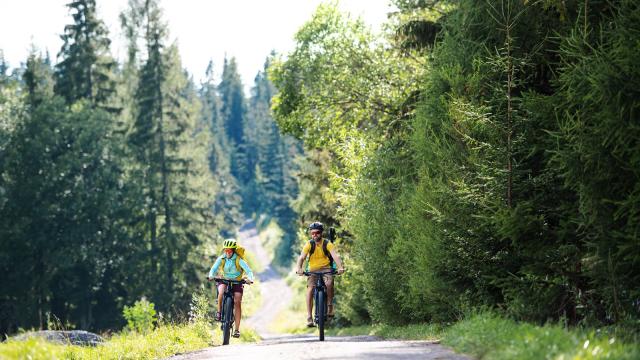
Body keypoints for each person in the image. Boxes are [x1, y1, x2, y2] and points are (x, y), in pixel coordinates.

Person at [295, 222, 345, 327]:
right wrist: (299, 268)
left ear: (321, 233)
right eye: (312, 233)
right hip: (313, 270)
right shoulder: (309, 244)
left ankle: (330, 305)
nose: (314, 235)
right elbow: (302, 257)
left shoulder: (327, 244)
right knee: (310, 289)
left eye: (317, 233)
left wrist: (340, 267)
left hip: (326, 269)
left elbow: (335, 256)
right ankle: (309, 316)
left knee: (329, 284)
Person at [207, 238, 254, 338]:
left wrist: (250, 278)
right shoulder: (222, 258)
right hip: (225, 279)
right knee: (221, 292)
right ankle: (219, 312)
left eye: (229, 251)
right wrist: (211, 275)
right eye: (225, 250)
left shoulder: (239, 260)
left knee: (237, 301)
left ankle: (236, 330)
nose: (227, 252)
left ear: (233, 251)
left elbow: (249, 271)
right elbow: (214, 268)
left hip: (237, 281)